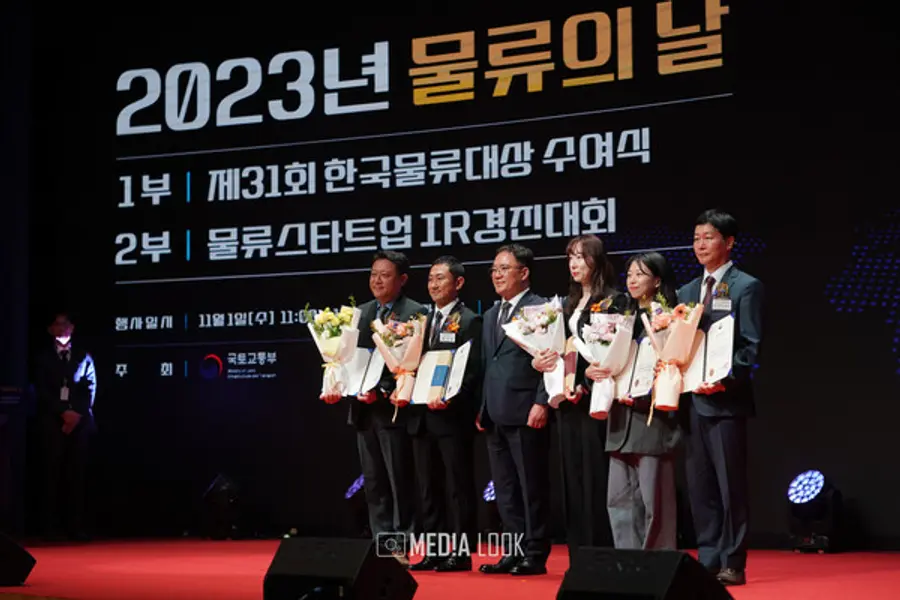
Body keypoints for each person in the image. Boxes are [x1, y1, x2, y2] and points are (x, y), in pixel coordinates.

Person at [322, 251, 425, 564]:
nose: (377, 281)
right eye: (373, 274)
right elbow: (346, 360)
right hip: (363, 413)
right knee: (374, 483)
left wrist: (381, 391)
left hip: (394, 411)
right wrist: (338, 384)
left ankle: (401, 545)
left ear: (402, 279)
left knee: (399, 481)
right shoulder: (360, 314)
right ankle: (383, 547)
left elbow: (414, 363)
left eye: (385, 275)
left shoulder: (415, 312)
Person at [678, 209, 764, 586]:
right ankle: (709, 557)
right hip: (693, 402)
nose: (700, 244)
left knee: (730, 486)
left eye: (708, 237)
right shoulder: (685, 292)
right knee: (701, 486)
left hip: (726, 401)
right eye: (696, 238)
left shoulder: (745, 286)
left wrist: (723, 380)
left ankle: (733, 560)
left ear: (729, 242)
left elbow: (750, 346)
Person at [531, 234, 623, 565]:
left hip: (596, 401)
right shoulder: (566, 304)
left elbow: (613, 354)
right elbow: (557, 350)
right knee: (571, 478)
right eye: (571, 257)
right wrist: (540, 362)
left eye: (582, 257)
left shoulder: (613, 301)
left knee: (596, 477)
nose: (574, 264)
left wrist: (584, 382)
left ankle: (601, 554)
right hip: (566, 401)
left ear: (597, 260)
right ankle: (578, 555)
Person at [476, 243, 550, 576]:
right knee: (505, 488)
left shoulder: (540, 309)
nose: (497, 275)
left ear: (524, 272)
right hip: (495, 412)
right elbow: (487, 363)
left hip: (525, 410)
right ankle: (513, 549)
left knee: (531, 486)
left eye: (504, 269)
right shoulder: (492, 314)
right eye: (494, 270)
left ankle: (534, 552)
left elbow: (551, 359)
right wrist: (482, 407)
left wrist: (541, 401)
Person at [407, 256, 482, 572]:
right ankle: (435, 550)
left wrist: (451, 397)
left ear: (458, 283)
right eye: (430, 279)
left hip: (452, 417)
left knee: (457, 486)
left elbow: (473, 371)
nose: (434, 284)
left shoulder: (469, 320)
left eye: (440, 278)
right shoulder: (420, 321)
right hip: (421, 416)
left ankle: (461, 552)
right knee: (428, 487)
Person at [606, 252, 682, 550]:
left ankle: (657, 563)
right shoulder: (619, 318)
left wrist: (645, 392)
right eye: (629, 275)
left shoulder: (670, 318)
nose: (632, 280)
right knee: (619, 499)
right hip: (619, 420)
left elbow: (675, 365)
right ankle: (628, 562)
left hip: (651, 420)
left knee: (654, 500)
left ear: (657, 280)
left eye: (640, 274)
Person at [33, 311, 96, 541]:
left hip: (79, 423)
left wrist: (76, 414)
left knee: (76, 474)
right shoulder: (42, 358)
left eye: (66, 324)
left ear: (73, 328)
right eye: (58, 325)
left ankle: (75, 527)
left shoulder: (83, 356)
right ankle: (48, 528)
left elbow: (90, 387)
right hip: (52, 422)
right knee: (51, 473)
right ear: (50, 330)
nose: (63, 328)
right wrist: (62, 412)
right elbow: (41, 390)